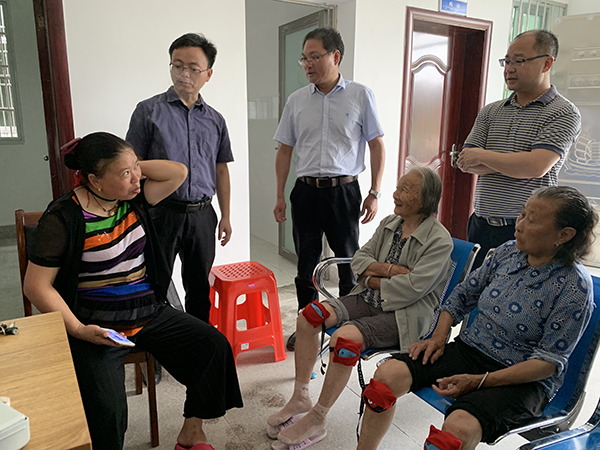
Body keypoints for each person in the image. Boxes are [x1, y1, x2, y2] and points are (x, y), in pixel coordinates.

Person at [23, 132, 243, 450]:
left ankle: (191, 434)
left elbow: (178, 172)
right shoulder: (63, 217)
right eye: (126, 174)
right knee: (108, 413)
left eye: (137, 169)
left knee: (213, 347)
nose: (137, 179)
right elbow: (36, 286)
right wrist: (80, 330)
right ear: (95, 181)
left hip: (147, 311)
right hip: (96, 325)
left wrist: (130, 164)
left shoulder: (133, 199)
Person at [356, 186, 598, 450]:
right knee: (386, 377)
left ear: (564, 235)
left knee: (457, 429)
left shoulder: (574, 287)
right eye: (522, 214)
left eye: (532, 220)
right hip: (471, 351)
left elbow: (547, 363)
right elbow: (462, 295)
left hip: (523, 380)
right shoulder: (508, 252)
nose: (519, 225)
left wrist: (480, 381)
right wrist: (438, 338)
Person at [267, 167, 453, 449]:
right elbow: (358, 260)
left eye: (405, 190)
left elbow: (412, 289)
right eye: (398, 187)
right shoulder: (390, 223)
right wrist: (389, 271)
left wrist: (371, 276)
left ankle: (318, 416)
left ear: (424, 199)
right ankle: (301, 395)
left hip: (405, 314)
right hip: (368, 298)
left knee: (345, 340)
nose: (395, 194)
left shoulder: (439, 240)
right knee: (309, 316)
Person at [273, 27, 386, 351]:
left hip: (344, 193)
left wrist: (375, 192)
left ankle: (347, 325)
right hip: (306, 192)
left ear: (335, 56)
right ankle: (307, 325)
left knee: (348, 263)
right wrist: (279, 195)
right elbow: (284, 150)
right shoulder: (296, 101)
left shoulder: (360, 95)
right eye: (304, 59)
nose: (307, 64)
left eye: (314, 57)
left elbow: (377, 145)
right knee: (305, 266)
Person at [126, 32, 233, 323]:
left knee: (199, 288)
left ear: (208, 74)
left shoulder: (215, 120)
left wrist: (225, 215)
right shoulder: (148, 111)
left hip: (202, 215)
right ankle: (155, 342)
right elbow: (132, 164)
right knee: (154, 284)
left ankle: (197, 340)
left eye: (193, 68)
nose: (184, 73)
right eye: (177, 65)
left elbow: (221, 170)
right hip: (161, 213)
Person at [457, 30, 581, 269]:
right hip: (480, 224)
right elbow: (466, 161)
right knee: (474, 287)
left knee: (515, 291)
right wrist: (517, 163)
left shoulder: (563, 112)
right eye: (506, 61)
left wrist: (483, 156)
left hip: (527, 229)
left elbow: (536, 166)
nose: (509, 69)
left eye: (519, 61)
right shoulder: (492, 111)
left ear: (547, 63)